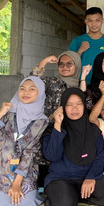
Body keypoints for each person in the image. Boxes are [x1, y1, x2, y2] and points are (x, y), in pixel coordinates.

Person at [0, 77, 49, 206]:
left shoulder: (41, 121)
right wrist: (0, 114)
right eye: (22, 88)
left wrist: (17, 183)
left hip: (21, 172)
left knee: (27, 200)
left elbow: (29, 152)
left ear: (40, 93)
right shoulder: (6, 113)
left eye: (32, 89)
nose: (26, 92)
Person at [42, 88, 104, 206]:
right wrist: (57, 126)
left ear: (84, 105)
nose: (74, 109)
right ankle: (68, 197)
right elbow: (52, 156)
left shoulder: (93, 130)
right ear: (63, 108)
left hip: (85, 177)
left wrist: (91, 177)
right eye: (69, 105)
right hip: (60, 178)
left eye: (79, 104)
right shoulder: (52, 130)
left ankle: (75, 196)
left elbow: (99, 157)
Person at [30, 51, 81, 185]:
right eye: (61, 64)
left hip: (70, 131)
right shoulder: (51, 81)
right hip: (49, 128)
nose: (64, 67)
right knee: (46, 159)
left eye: (69, 64)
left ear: (77, 66)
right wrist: (44, 61)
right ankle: (44, 187)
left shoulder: (80, 85)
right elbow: (32, 82)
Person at [69, 7, 104, 84]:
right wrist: (80, 51)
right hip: (81, 83)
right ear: (86, 21)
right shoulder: (77, 40)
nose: (94, 24)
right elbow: (69, 64)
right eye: (90, 21)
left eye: (97, 20)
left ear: (102, 21)